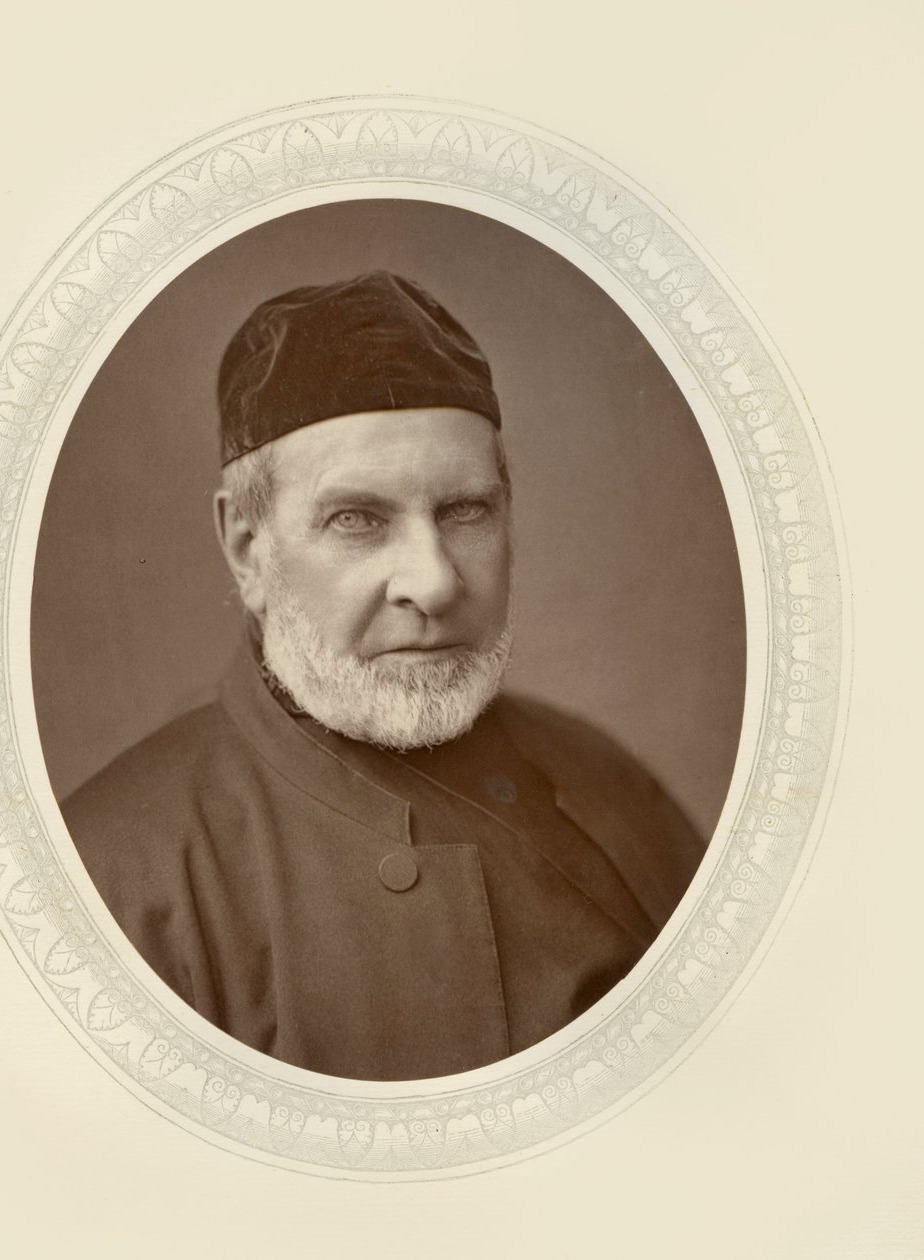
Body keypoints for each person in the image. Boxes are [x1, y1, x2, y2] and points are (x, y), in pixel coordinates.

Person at [62, 271, 704, 1081]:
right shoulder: (111, 878)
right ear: (247, 549)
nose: (432, 582)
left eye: (465, 510)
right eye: (356, 519)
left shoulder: (607, 782)